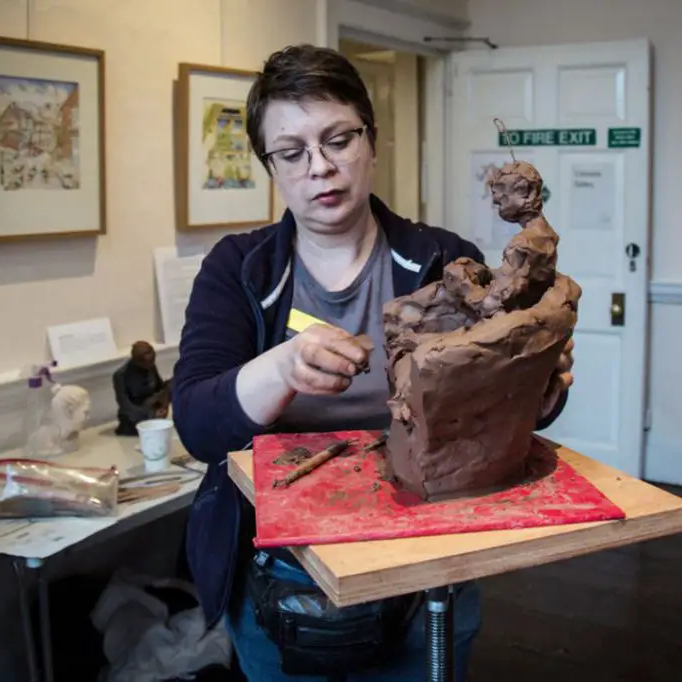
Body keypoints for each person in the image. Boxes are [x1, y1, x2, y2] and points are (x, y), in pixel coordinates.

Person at [171, 44, 574, 681]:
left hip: (426, 568)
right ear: (269, 166)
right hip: (283, 578)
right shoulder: (239, 270)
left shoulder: (447, 261)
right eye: (292, 152)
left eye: (338, 139)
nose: (320, 168)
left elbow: (508, 415)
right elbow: (197, 425)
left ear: (372, 141)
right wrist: (282, 368)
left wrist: (539, 383)